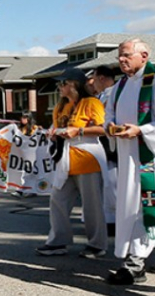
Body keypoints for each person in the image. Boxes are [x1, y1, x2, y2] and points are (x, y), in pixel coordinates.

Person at [104, 38, 155, 285]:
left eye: (127, 55)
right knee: (132, 205)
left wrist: (141, 130)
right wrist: (110, 126)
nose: (121, 60)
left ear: (144, 56)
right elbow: (110, 113)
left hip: (152, 157)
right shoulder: (120, 85)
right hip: (128, 154)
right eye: (120, 56)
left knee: (147, 206)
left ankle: (135, 264)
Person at [35, 68, 108, 259]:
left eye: (63, 83)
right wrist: (53, 134)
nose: (59, 87)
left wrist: (79, 131)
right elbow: (58, 129)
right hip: (66, 161)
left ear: (74, 85)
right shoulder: (61, 107)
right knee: (57, 200)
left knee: (92, 205)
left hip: (88, 159)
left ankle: (97, 244)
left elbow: (104, 128)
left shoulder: (91, 103)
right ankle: (58, 241)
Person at [87, 66, 118, 235]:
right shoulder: (99, 96)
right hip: (99, 145)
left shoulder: (115, 93)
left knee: (112, 183)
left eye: (94, 78)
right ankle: (106, 219)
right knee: (104, 185)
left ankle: (115, 220)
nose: (92, 84)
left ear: (101, 78)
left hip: (111, 145)